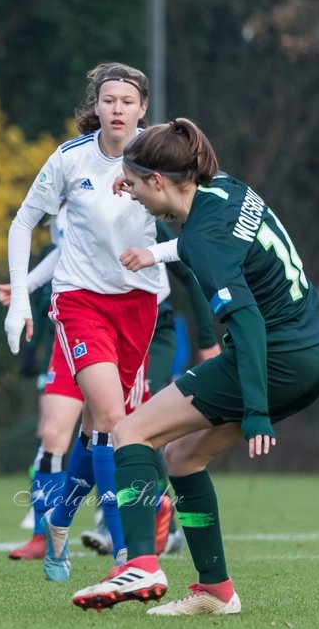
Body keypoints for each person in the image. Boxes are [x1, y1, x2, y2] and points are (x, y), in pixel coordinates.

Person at [70, 117, 319, 615]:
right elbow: (206, 240)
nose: (133, 197)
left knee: (131, 432)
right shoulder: (225, 187)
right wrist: (151, 240)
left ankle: (142, 563)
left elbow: (248, 319)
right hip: (311, 353)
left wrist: (255, 409)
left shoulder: (200, 241)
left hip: (273, 357)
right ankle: (216, 591)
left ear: (160, 180)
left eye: (137, 187)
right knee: (184, 458)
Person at [4, 62, 161, 581]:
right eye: (109, 99)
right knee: (116, 425)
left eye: (127, 101)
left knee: (99, 433)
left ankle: (59, 519)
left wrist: (161, 252)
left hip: (139, 307)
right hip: (80, 302)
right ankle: (126, 554)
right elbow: (24, 220)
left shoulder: (159, 157)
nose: (117, 109)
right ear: (97, 107)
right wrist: (23, 299)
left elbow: (195, 216)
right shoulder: (71, 160)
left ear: (143, 109)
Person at [80, 218, 221, 558]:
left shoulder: (144, 218)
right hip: (108, 329)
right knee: (108, 421)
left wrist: (206, 339)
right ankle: (138, 520)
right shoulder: (80, 218)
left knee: (137, 423)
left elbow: (188, 271)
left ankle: (151, 522)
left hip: (152, 331)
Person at [0, 207, 84, 561]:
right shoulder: (69, 204)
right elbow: (64, 253)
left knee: (115, 435)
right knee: (51, 436)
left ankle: (132, 541)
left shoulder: (129, 194)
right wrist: (24, 288)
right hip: (72, 326)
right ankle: (42, 534)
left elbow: (163, 283)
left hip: (119, 327)